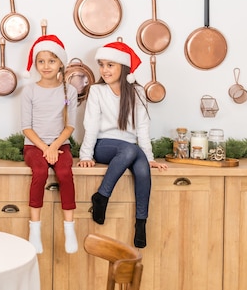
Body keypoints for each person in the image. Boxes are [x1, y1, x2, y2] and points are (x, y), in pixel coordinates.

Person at [77, 40, 167, 248]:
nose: (104, 70)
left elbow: (142, 128)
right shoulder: (97, 91)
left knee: (143, 168)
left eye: (110, 65)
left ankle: (141, 223)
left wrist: (150, 158)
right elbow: (90, 125)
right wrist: (86, 155)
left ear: (123, 67)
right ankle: (102, 196)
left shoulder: (137, 92)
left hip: (130, 150)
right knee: (130, 150)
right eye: (102, 65)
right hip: (104, 146)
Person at [21, 34, 79, 254]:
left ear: (61, 63)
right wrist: (44, 148)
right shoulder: (30, 91)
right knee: (40, 171)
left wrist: (55, 146)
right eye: (41, 61)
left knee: (64, 172)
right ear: (36, 64)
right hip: (34, 146)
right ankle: (34, 229)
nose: (46, 66)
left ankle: (69, 227)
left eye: (51, 61)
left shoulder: (69, 91)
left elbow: (70, 126)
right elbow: (26, 127)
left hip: (60, 145)